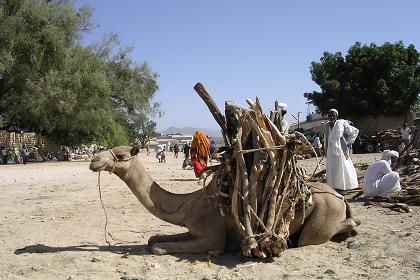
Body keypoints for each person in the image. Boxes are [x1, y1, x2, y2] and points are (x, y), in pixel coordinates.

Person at [323, 109, 359, 191]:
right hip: (330, 152)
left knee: (343, 168)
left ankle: (344, 187)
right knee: (333, 169)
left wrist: (349, 142)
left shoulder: (342, 123)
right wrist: (325, 150)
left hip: (341, 151)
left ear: (337, 116)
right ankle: (334, 186)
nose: (331, 117)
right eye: (330, 115)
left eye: (333, 115)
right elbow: (325, 139)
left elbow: (354, 131)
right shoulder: (326, 126)